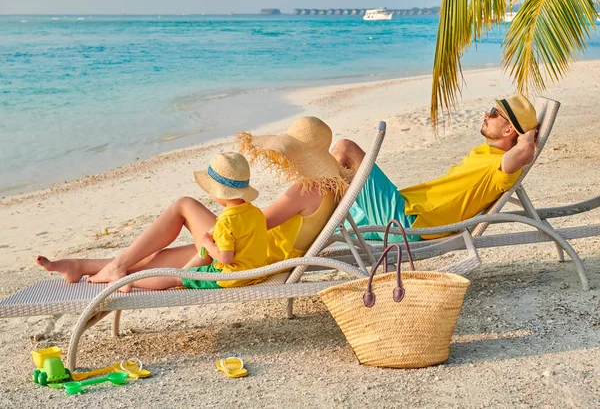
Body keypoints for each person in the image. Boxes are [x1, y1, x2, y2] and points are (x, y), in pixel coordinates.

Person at [37, 117, 346, 287]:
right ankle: (82, 266)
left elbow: (255, 221)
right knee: (169, 255)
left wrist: (217, 231)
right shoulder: (332, 187)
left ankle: (116, 265)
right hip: (260, 250)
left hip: (253, 254)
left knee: (184, 205)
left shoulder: (305, 190)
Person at [37, 152, 267, 291]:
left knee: (183, 207)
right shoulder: (256, 210)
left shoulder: (232, 219)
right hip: (250, 256)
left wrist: (210, 242)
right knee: (163, 258)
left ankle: (120, 272)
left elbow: (230, 253)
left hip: (238, 264)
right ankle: (83, 266)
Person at [331, 94, 539, 240]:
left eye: (494, 113)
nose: (486, 113)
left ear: (509, 129)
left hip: (408, 224)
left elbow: (525, 151)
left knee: (346, 148)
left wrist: (528, 135)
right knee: (326, 218)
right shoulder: (485, 153)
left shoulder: (501, 169)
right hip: (405, 209)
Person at [238, 116, 348, 263]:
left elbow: (253, 226)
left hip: (257, 256)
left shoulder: (306, 190)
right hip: (282, 256)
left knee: (195, 207)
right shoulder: (332, 190)